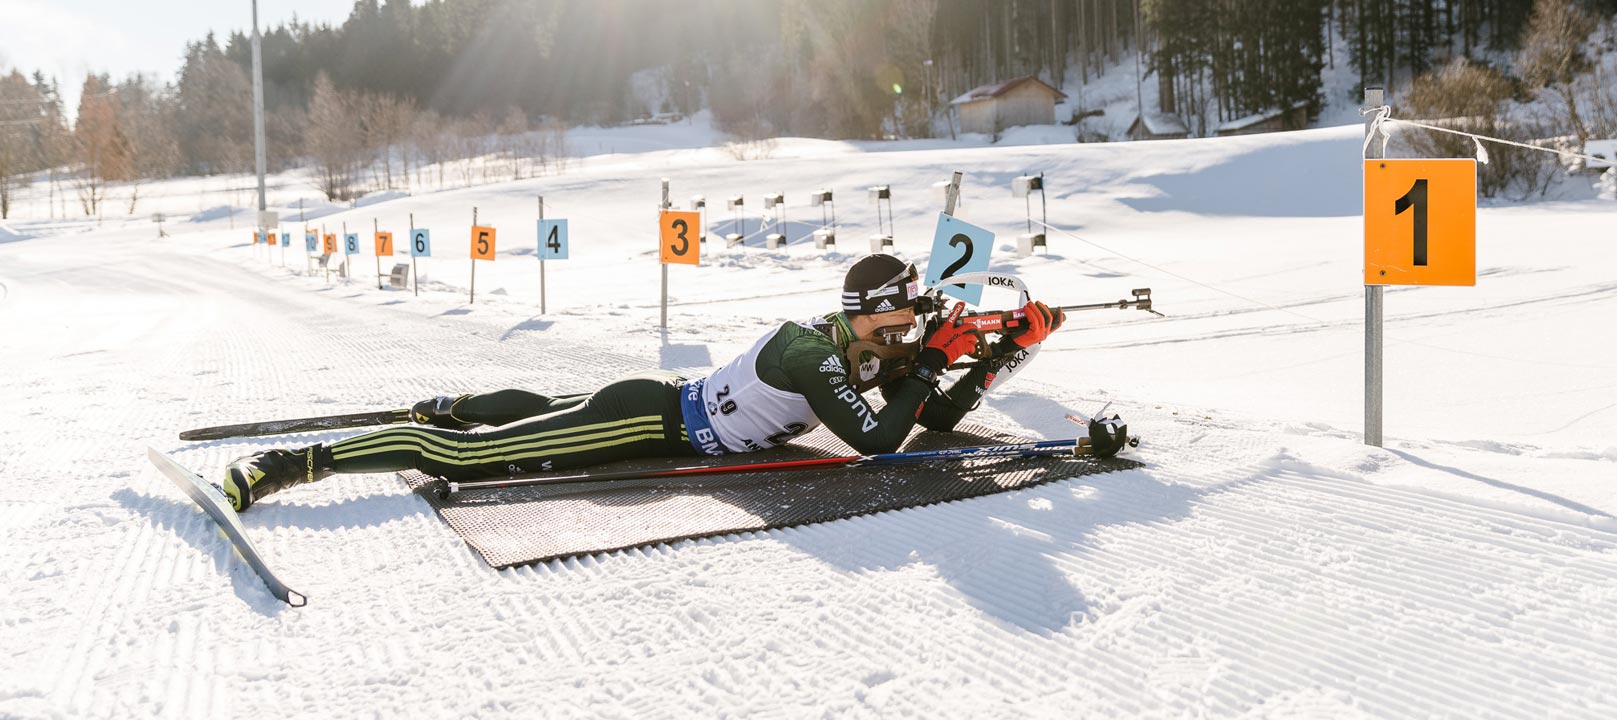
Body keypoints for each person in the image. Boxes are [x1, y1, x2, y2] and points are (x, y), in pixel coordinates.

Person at [221, 254, 1066, 512]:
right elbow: (884, 442)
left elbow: (941, 418)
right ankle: (296, 463)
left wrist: (997, 355)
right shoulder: (814, 353)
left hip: (664, 399)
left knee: (545, 414)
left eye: (916, 325)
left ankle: (457, 402)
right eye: (904, 324)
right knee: (472, 460)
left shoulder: (874, 348)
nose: (914, 334)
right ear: (870, 316)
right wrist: (928, 365)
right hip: (646, 421)